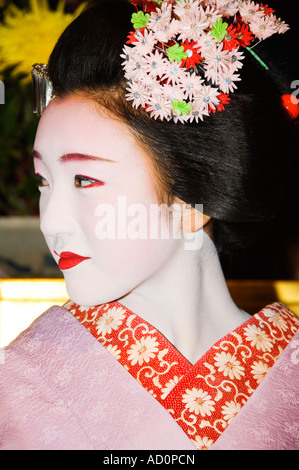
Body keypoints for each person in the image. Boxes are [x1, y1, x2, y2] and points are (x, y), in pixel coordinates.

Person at [0, 0, 299, 450]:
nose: (52, 220)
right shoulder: (19, 387)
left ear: (192, 198)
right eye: (44, 181)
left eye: (85, 179)